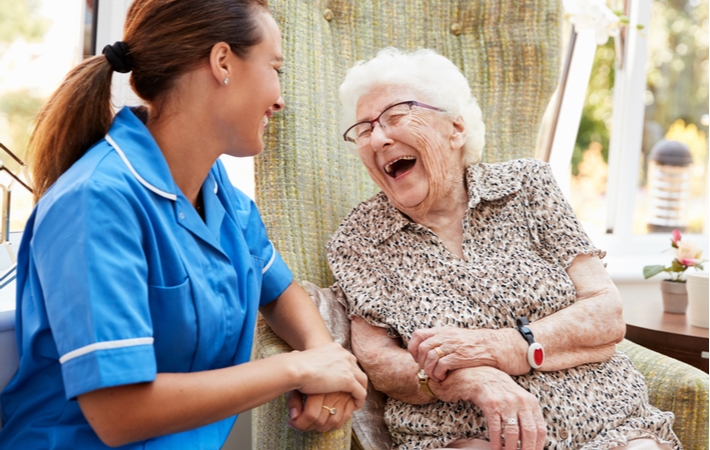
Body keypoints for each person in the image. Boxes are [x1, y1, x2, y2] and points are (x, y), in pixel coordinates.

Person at [0, 0, 367, 448]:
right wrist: (296, 369)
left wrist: (323, 353)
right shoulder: (95, 202)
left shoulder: (215, 191)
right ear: (223, 62)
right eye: (275, 69)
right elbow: (119, 413)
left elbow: (280, 289)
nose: (279, 98)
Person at [326, 47, 681, 450]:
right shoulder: (360, 238)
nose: (379, 137)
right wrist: (470, 378)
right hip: (464, 432)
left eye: (395, 116)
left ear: (455, 129)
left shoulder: (527, 186)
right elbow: (380, 363)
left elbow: (606, 313)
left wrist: (504, 348)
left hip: (609, 421)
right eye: (364, 129)